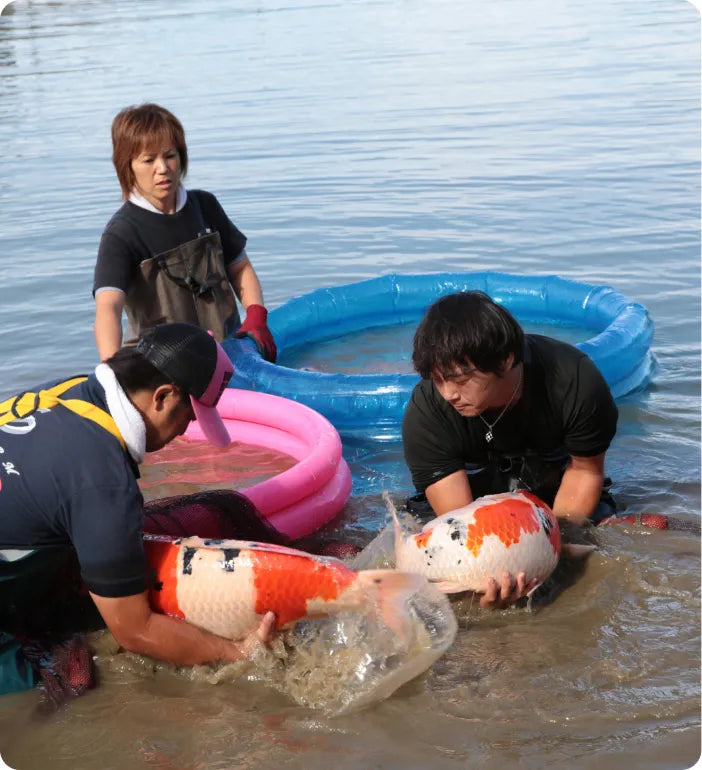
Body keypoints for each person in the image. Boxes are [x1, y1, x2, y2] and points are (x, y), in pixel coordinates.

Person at [0, 322, 275, 670]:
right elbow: (135, 631)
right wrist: (237, 652)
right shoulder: (104, 482)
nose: (183, 432)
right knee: (36, 679)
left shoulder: (68, 390)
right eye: (189, 417)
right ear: (162, 397)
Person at [402, 291, 618, 608]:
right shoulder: (427, 410)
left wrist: (551, 551)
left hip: (550, 488)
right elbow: (459, 525)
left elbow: (585, 471)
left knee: (591, 551)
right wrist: (481, 577)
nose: (448, 394)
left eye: (460, 380)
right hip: (472, 497)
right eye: (437, 379)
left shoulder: (575, 382)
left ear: (505, 359)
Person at [93, 103, 276, 363]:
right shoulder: (121, 233)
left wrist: (256, 316)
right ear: (127, 166)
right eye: (148, 160)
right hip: (164, 369)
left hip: (229, 355)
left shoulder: (205, 206)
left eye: (169, 155)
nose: (162, 168)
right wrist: (112, 370)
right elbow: (108, 309)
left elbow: (240, 268)